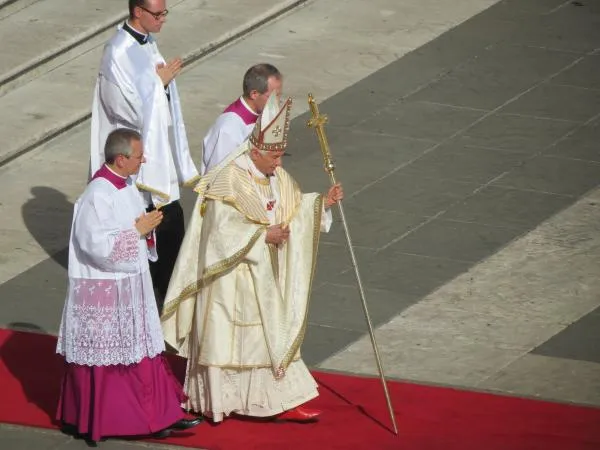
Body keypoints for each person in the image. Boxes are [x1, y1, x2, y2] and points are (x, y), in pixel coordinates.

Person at [161, 92, 344, 423]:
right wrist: (263, 236)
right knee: (224, 341)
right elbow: (219, 233)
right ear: (255, 151)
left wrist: (321, 205)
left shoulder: (276, 176)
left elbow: (292, 207)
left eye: (280, 157)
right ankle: (218, 402)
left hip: (263, 274)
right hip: (229, 278)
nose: (279, 163)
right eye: (273, 157)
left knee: (269, 336)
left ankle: (279, 402)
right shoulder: (228, 179)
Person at [56, 129, 201, 444]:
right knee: (112, 359)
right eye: (138, 155)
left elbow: (132, 230)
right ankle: (122, 418)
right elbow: (95, 245)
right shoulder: (97, 194)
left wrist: (146, 231)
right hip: (105, 291)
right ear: (120, 159)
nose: (143, 159)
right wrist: (137, 230)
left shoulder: (128, 186)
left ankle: (161, 413)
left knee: (142, 351)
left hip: (131, 285)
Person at [90, 0, 199, 313]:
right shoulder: (117, 53)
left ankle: (169, 305)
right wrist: (157, 85)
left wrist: (159, 87)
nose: (163, 19)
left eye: (165, 12)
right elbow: (121, 110)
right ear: (137, 11)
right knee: (148, 245)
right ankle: (149, 306)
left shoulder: (149, 45)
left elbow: (157, 101)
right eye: (158, 13)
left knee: (172, 232)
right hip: (135, 167)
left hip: (157, 163)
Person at [201, 63, 283, 174]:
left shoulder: (263, 115)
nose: (277, 102)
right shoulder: (229, 128)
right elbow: (219, 176)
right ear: (254, 94)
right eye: (273, 96)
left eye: (279, 96)